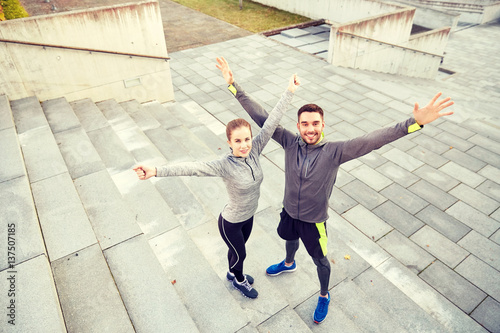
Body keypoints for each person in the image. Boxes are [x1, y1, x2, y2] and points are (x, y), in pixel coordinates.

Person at [216, 56, 454, 323]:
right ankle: (288, 262)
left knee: (321, 261)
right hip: (289, 212)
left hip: (314, 220)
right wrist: (234, 86)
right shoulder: (289, 141)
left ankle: (324, 294)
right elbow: (262, 117)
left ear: (323, 125)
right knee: (288, 236)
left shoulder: (336, 151)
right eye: (304, 124)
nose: (310, 129)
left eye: (315, 123)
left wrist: (414, 122)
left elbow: (374, 139)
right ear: (298, 126)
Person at [133, 72, 300, 299]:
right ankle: (239, 280)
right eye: (238, 141)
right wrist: (156, 171)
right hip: (230, 222)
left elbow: (271, 122)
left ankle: (233, 273)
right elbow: (192, 167)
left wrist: (289, 91)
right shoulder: (224, 165)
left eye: (247, 139)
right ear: (229, 142)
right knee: (240, 254)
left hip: (248, 217)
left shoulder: (255, 150)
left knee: (236, 252)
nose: (244, 145)